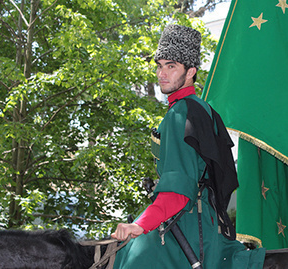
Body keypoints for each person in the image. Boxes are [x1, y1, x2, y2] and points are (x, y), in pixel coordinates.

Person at [110, 25, 265, 268]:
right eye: (159, 65)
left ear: (191, 71)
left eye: (171, 66)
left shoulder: (181, 113)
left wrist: (140, 224)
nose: (162, 73)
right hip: (207, 219)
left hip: (189, 223)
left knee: (131, 260)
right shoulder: (203, 109)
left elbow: (178, 190)